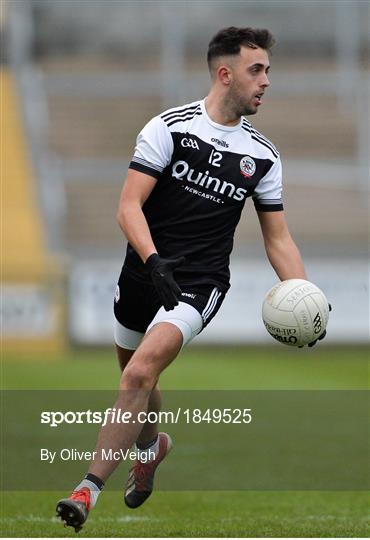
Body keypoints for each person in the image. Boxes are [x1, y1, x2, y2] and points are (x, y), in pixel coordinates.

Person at [56, 26, 327, 531]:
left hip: (199, 283)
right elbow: (128, 206)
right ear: (225, 74)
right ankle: (151, 444)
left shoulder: (263, 156)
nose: (266, 81)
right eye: (257, 70)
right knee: (136, 375)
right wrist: (153, 260)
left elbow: (278, 239)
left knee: (138, 375)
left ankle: (86, 490)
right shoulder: (169, 127)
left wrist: (306, 297)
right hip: (143, 272)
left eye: (268, 70)